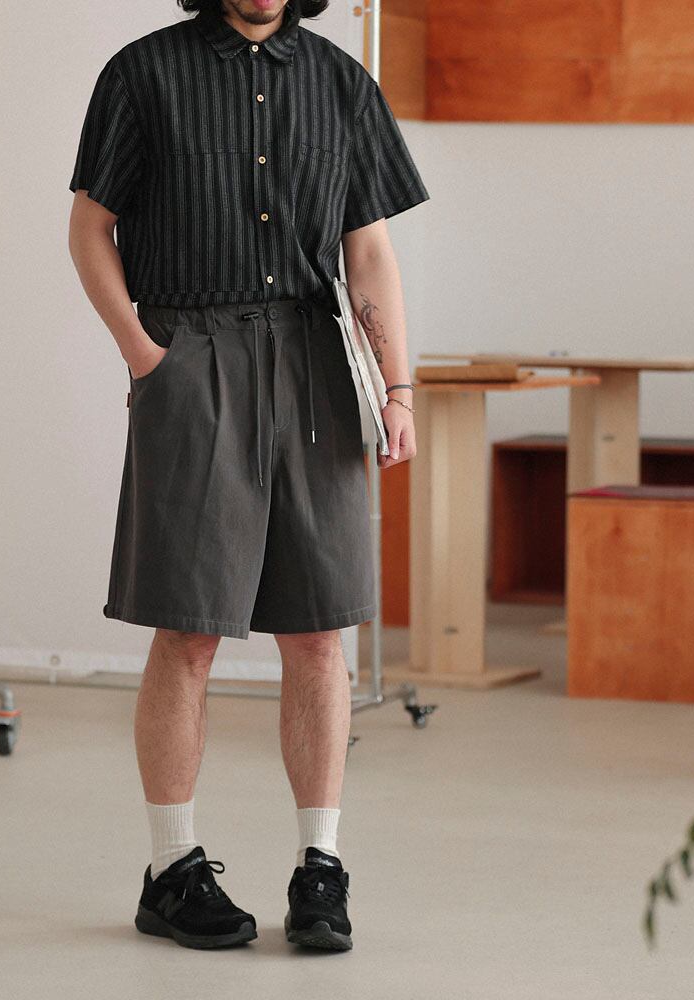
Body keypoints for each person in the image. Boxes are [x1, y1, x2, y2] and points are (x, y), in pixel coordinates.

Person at [68, 0, 429, 952]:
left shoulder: (342, 83)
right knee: (189, 627)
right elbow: (89, 228)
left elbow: (368, 249)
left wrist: (396, 387)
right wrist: (150, 358)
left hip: (317, 363)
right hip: (193, 356)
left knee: (318, 628)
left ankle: (321, 869)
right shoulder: (143, 74)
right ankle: (171, 870)